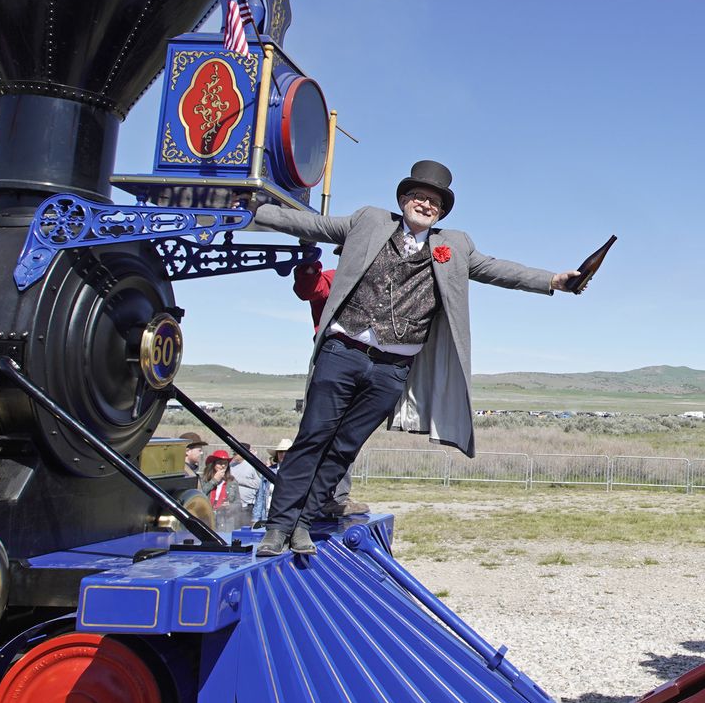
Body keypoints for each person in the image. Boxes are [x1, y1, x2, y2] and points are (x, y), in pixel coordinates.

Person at [247, 159, 583, 557]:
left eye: (434, 202)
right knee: (313, 437)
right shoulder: (368, 222)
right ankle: (278, 526)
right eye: (419, 197)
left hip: (391, 369)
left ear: (440, 211)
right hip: (343, 352)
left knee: (344, 447)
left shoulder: (453, 246)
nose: (425, 205)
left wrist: (553, 281)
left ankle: (303, 523)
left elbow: (499, 270)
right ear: (404, 199)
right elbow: (313, 227)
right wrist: (253, 211)